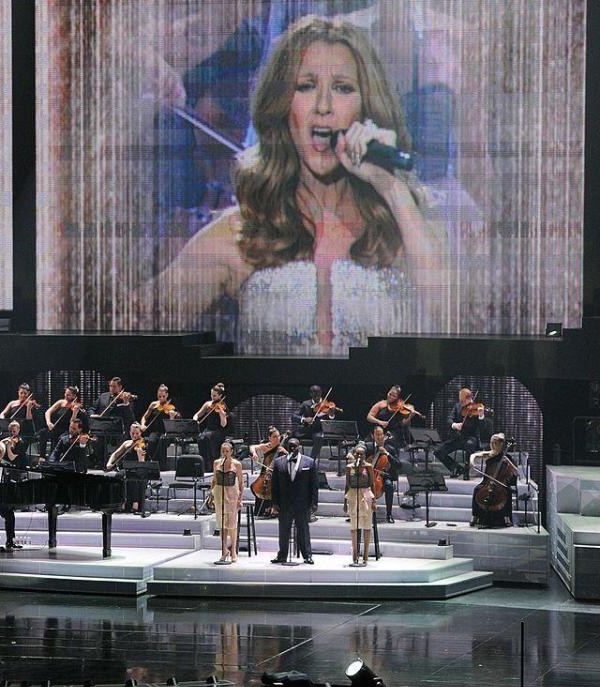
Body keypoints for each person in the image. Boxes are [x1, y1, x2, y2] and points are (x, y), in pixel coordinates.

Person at [145, 15, 445, 357]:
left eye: (343, 88)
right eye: (306, 86)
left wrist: (391, 187)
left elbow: (452, 326)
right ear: (285, 107)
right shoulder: (243, 233)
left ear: (367, 109)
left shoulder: (404, 229)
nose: (323, 106)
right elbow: (132, 329)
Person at [270, 438, 317, 565]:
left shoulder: (309, 462)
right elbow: (275, 485)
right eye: (290, 446)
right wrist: (274, 503)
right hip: (285, 503)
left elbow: (313, 484)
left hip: (302, 502)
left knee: (303, 529)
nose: (292, 449)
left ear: (299, 447)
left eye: (294, 446)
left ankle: (307, 555)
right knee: (283, 530)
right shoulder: (279, 462)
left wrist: (314, 502)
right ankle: (282, 555)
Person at [436, 388, 493, 479]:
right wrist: (455, 425)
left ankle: (466, 472)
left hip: (471, 438)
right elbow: (449, 419)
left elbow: (482, 428)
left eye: (461, 399)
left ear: (468, 398)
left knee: (469, 445)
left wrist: (481, 416)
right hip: (458, 438)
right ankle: (456, 469)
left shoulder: (476, 408)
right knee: (438, 451)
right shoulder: (457, 406)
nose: (460, 400)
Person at [469, 433, 517, 529]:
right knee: (476, 489)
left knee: (507, 492)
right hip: (487, 481)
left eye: (495, 443)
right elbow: (474, 455)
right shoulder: (490, 454)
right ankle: (475, 516)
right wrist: (472, 462)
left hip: (500, 483)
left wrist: (509, 462)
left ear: (500, 444)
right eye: (491, 442)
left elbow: (516, 471)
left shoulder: (507, 457)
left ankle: (506, 517)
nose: (492, 445)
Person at [212, 441, 244, 564]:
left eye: (227, 451)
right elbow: (214, 480)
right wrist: (211, 495)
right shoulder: (216, 463)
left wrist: (240, 499)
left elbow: (241, 483)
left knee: (231, 525)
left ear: (231, 452)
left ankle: (234, 550)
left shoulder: (237, 464)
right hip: (219, 494)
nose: (225, 453)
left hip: (232, 495)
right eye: (223, 451)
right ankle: (224, 550)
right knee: (222, 524)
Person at [106, 422, 149, 515]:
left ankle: (135, 503)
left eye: (137, 433)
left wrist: (139, 453)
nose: (135, 435)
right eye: (133, 433)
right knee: (118, 475)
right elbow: (115, 454)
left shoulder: (142, 445)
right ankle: (120, 502)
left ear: (140, 433)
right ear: (129, 432)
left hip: (138, 470)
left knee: (132, 477)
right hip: (126, 469)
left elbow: (141, 464)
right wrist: (109, 463)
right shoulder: (126, 443)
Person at [345, 444, 376, 565]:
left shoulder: (368, 467)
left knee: (367, 525)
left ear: (364, 455)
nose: (359, 455)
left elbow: (372, 484)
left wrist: (374, 501)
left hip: (366, 495)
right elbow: (347, 485)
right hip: (353, 494)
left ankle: (366, 555)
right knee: (354, 525)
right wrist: (344, 502)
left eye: (361, 454)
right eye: (357, 453)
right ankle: (354, 554)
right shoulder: (349, 467)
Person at [140, 384, 180, 469]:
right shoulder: (153, 405)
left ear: (167, 395)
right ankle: (151, 464)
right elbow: (144, 417)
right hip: (155, 431)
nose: (161, 398)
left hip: (167, 432)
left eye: (163, 396)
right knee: (151, 441)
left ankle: (161, 466)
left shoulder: (172, 406)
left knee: (162, 440)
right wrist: (143, 424)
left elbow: (174, 425)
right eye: (159, 396)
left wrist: (172, 417)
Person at [250, 426, 287, 517]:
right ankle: (262, 511)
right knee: (257, 487)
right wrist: (254, 454)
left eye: (278, 436)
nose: (277, 438)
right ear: (269, 438)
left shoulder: (282, 448)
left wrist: (286, 452)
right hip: (265, 474)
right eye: (274, 437)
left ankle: (275, 510)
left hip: (277, 475)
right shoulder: (267, 446)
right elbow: (252, 446)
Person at [364, 426, 399, 523]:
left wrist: (387, 454)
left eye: (381, 435)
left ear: (384, 435)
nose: (379, 437)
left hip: (383, 476)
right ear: (373, 436)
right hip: (369, 475)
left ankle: (389, 514)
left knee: (389, 486)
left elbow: (398, 464)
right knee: (359, 483)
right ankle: (359, 512)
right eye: (377, 435)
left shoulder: (390, 448)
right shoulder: (368, 447)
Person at [293, 385, 338, 459]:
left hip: (318, 431)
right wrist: (304, 419)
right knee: (288, 438)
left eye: (318, 392)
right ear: (310, 394)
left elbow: (330, 422)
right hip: (305, 430)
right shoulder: (305, 404)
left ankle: (311, 461)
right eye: (314, 393)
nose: (316, 395)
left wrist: (331, 415)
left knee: (319, 437)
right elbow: (294, 416)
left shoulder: (327, 405)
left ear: (321, 393)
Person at [193, 383, 230, 472]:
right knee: (201, 438)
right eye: (211, 395)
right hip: (208, 429)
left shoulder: (223, 407)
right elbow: (197, 414)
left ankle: (210, 466)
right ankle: (203, 465)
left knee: (206, 437)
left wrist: (222, 414)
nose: (212, 397)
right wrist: (195, 419)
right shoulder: (208, 404)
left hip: (218, 431)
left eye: (215, 396)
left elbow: (223, 424)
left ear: (220, 396)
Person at [43, 386, 88, 455]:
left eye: (68, 395)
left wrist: (74, 412)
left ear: (74, 396)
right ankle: (42, 456)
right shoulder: (61, 402)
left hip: (66, 430)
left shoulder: (76, 406)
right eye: (65, 394)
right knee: (42, 433)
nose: (66, 396)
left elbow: (72, 422)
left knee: (60, 438)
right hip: (55, 427)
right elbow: (48, 412)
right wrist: (49, 422)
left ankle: (55, 457)